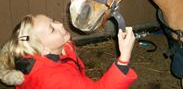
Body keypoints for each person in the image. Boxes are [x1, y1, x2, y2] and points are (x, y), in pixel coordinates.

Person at [1, 14, 137, 89]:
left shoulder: (32, 52)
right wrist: (123, 59)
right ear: (44, 49)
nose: (59, 24)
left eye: (53, 21)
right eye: (52, 29)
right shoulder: (55, 80)